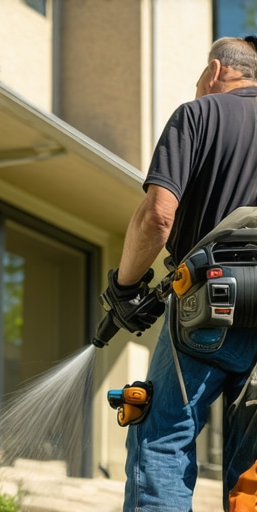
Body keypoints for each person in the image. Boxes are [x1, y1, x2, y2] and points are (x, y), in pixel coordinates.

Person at [100, 36, 257, 511]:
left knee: (163, 437)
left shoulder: (199, 113)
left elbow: (157, 217)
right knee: (252, 463)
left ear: (214, 71)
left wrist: (125, 288)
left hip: (208, 302)